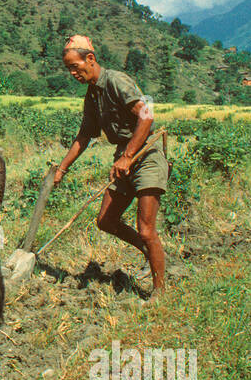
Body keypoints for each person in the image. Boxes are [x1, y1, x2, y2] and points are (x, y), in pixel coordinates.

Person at [50, 35, 169, 296]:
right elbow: (84, 136)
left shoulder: (116, 81)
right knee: (106, 220)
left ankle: (160, 292)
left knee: (146, 228)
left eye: (75, 66)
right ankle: (151, 254)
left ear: (90, 59)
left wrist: (128, 155)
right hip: (124, 159)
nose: (72, 73)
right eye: (68, 69)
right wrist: (62, 168)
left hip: (146, 155)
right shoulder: (92, 95)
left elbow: (147, 115)